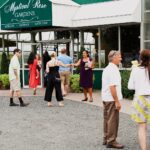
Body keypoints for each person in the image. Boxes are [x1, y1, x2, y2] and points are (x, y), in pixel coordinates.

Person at [128, 49, 150, 150]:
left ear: (140, 58)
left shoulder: (135, 69)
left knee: (142, 127)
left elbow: (130, 86)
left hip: (140, 100)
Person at [101, 50, 124, 149]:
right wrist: (117, 101)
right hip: (111, 99)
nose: (121, 58)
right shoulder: (113, 69)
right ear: (113, 58)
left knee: (107, 119)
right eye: (119, 57)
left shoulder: (107, 68)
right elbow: (112, 87)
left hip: (106, 98)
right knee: (112, 120)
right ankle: (111, 141)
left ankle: (106, 138)